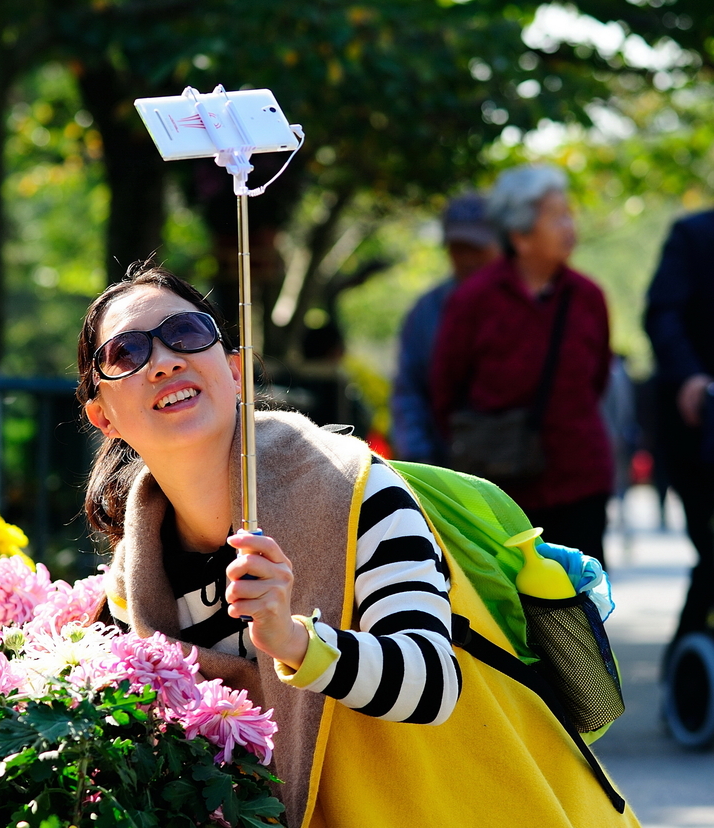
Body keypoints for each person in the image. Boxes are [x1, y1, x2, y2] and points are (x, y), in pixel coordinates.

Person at [77, 261, 638, 828]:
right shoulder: (133, 581)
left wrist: (292, 641)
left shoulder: (355, 488)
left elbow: (429, 683)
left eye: (187, 334)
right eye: (126, 353)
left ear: (234, 369)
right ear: (103, 417)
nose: (166, 359)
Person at [430, 164, 613, 567]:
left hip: (579, 474)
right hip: (500, 486)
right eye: (556, 216)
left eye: (570, 214)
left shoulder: (588, 298)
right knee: (509, 608)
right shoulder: (474, 300)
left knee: (579, 605)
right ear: (520, 235)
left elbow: (597, 379)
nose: (570, 226)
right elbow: (446, 389)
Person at [644, 208, 714, 649]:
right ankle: (685, 671)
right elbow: (662, 316)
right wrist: (689, 375)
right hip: (698, 428)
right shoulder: (693, 235)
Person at [391, 193, 501, 463]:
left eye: (477, 248)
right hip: (447, 464)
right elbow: (409, 392)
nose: (468, 259)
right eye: (458, 248)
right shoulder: (426, 312)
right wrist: (419, 462)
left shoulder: (522, 305)